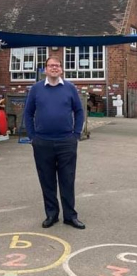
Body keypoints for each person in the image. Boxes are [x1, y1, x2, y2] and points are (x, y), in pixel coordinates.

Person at [24, 56, 85, 230]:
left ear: (61, 69)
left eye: (57, 66)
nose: (54, 68)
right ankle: (51, 214)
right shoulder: (36, 89)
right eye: (51, 65)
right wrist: (32, 136)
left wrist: (76, 134)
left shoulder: (70, 88)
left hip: (66, 141)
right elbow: (28, 114)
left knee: (67, 179)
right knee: (47, 180)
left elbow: (79, 111)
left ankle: (70, 216)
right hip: (42, 142)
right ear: (45, 69)